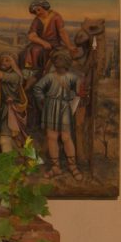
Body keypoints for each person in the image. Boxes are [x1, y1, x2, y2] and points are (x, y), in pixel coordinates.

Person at [32, 52, 83, 180]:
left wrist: (74, 93)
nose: (58, 61)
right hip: (50, 107)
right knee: (52, 137)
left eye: (61, 58)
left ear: (66, 61)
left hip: (65, 108)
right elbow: (37, 88)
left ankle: (73, 166)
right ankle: (55, 167)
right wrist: (43, 99)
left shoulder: (72, 77)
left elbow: (78, 92)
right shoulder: (49, 77)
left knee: (66, 137)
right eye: (57, 59)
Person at [22, 0, 78, 74]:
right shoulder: (37, 20)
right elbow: (31, 35)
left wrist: (69, 46)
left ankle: (39, 71)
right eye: (35, 11)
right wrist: (43, 43)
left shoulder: (55, 17)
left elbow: (62, 32)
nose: (37, 13)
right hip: (41, 43)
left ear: (44, 7)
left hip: (54, 44)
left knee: (36, 50)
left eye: (38, 9)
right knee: (29, 50)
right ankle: (32, 70)